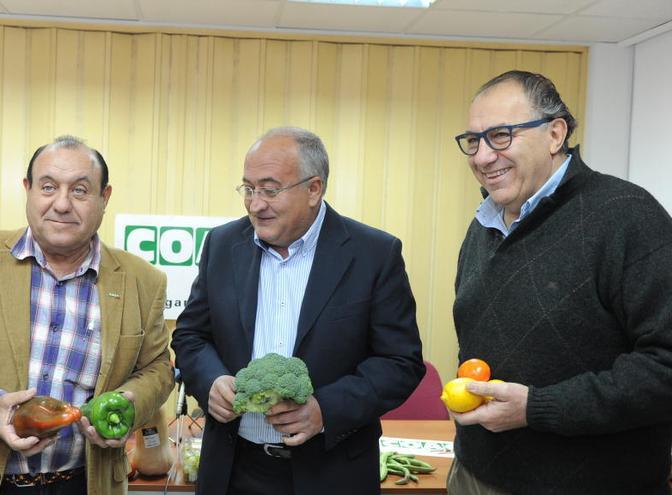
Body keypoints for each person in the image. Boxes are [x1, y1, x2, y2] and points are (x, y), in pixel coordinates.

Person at [0, 135, 174, 495]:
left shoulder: (143, 281)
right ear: (27, 189)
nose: (61, 204)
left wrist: (127, 405)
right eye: (48, 187)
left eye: (79, 191)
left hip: (86, 483)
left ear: (104, 198)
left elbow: (158, 369)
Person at [448, 70, 672, 495]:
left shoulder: (628, 217)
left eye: (500, 135)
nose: (481, 156)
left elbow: (665, 366)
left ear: (555, 134)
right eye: (473, 141)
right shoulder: (484, 225)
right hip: (475, 474)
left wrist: (538, 408)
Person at [171, 126, 425, 495]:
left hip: (331, 472)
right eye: (248, 188)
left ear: (314, 189)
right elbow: (191, 335)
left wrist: (326, 409)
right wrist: (210, 381)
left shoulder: (374, 254)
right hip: (231, 470)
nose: (255, 203)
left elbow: (400, 362)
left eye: (270, 189)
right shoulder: (222, 245)